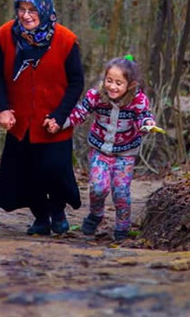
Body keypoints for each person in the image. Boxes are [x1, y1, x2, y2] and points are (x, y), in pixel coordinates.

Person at [0, 0, 85, 235]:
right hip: (20, 122)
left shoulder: (66, 40)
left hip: (52, 122)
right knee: (26, 173)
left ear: (45, 10)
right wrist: (1, 109)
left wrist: (60, 115)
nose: (26, 15)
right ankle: (41, 217)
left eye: (32, 9)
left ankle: (57, 211)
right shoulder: (4, 35)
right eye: (21, 8)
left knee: (54, 170)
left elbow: (76, 83)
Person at [51, 55, 156, 241]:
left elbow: (143, 117)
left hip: (125, 153)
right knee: (98, 188)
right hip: (99, 149)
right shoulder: (96, 96)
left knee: (121, 191)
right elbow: (80, 112)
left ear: (130, 85)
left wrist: (147, 125)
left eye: (118, 83)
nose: (112, 87)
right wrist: (61, 122)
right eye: (109, 81)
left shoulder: (138, 100)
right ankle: (96, 214)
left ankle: (122, 227)